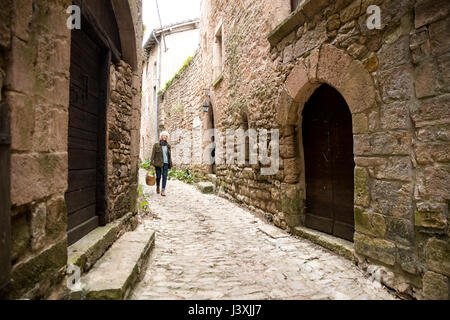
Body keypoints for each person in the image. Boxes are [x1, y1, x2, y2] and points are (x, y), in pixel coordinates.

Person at [150, 131, 173, 196]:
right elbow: (153, 154)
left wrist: (170, 163)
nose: (164, 137)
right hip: (158, 163)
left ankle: (163, 189)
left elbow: (169, 156)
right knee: (158, 176)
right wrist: (151, 163)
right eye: (163, 136)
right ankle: (157, 186)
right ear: (161, 137)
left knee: (165, 176)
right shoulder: (156, 145)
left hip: (166, 163)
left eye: (166, 136)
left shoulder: (168, 146)